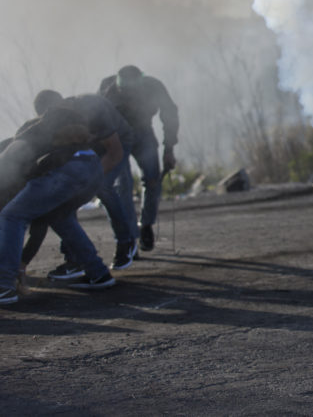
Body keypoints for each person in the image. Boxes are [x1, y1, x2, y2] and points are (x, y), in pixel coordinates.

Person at [0, 101, 121, 304]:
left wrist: (21, 262)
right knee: (59, 217)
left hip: (67, 171)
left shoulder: (20, 142)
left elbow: (6, 166)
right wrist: (23, 261)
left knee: (12, 216)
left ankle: (3, 286)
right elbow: (40, 220)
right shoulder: (49, 134)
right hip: (92, 168)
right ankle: (98, 273)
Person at [32, 90, 138, 275]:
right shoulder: (56, 120)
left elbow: (115, 152)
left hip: (118, 142)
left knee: (103, 187)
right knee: (68, 194)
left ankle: (126, 241)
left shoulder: (93, 110)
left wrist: (90, 180)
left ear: (63, 104)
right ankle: (74, 259)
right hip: (89, 147)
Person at [98, 65, 179, 252]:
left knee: (152, 180)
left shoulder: (153, 87)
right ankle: (130, 237)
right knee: (122, 185)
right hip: (117, 138)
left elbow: (170, 114)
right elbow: (97, 121)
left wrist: (169, 148)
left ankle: (146, 225)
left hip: (143, 133)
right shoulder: (106, 89)